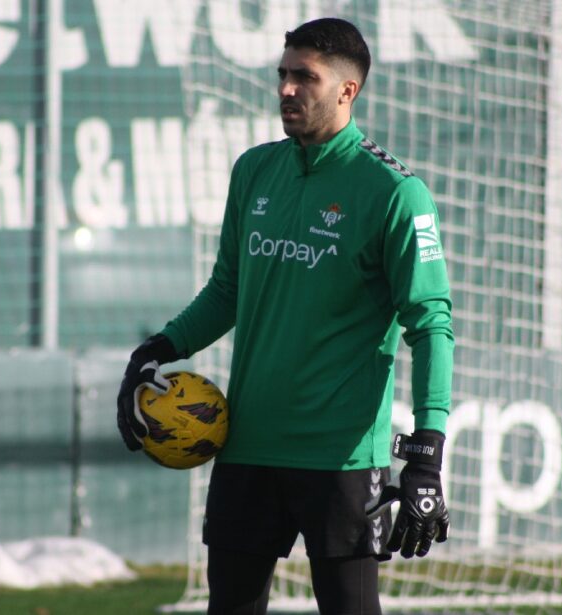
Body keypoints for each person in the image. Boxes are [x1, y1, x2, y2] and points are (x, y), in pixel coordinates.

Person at [117, 17, 454, 615]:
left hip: (342, 458)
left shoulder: (396, 192)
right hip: (246, 442)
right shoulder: (254, 170)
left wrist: (427, 449)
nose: (287, 90)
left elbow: (430, 325)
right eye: (283, 75)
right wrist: (156, 351)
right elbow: (227, 291)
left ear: (348, 91)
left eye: (306, 77)